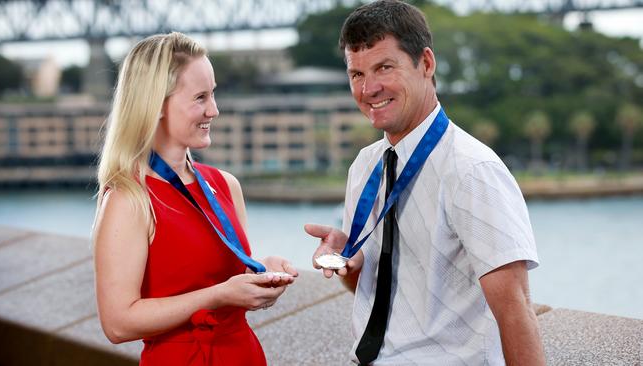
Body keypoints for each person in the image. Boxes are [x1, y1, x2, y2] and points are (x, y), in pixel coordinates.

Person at [305, 1, 545, 365]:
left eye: (384, 67)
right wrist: (351, 266)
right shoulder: (364, 165)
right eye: (356, 74)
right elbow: (379, 297)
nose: (369, 88)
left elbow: (516, 312)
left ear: (426, 64)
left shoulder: (472, 169)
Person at [93, 32, 297, 366]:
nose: (214, 110)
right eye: (200, 97)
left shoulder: (226, 185)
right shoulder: (127, 199)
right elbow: (117, 324)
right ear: (157, 104)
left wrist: (264, 273)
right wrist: (218, 296)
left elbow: (226, 278)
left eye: (213, 94)